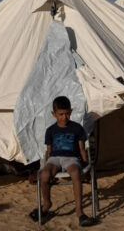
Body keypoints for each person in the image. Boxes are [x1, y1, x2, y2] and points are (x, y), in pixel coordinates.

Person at [29, 95, 97, 227]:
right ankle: (47, 204)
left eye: (67, 114)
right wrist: (46, 166)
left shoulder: (77, 128)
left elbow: (82, 148)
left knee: (76, 173)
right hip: (55, 158)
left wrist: (85, 163)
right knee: (44, 175)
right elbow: (49, 151)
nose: (64, 117)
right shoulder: (50, 130)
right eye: (60, 114)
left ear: (70, 112)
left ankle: (79, 212)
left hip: (72, 158)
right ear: (53, 114)